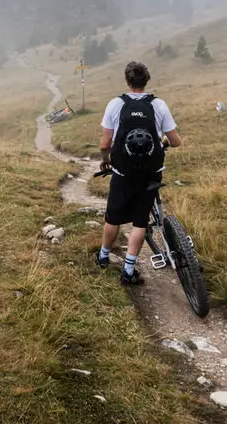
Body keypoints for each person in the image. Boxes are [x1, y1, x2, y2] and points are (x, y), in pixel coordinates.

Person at [95, 61, 182, 285]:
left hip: (122, 171)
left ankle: (103, 257)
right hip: (151, 172)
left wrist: (106, 162)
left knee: (112, 217)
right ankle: (129, 270)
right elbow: (175, 141)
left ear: (127, 81)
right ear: (147, 80)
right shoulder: (158, 105)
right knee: (140, 222)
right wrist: (163, 141)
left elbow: (105, 144)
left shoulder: (115, 104)